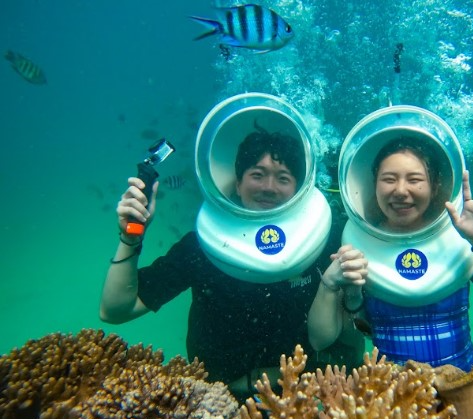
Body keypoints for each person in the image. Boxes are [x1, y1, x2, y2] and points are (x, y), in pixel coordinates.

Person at [100, 127, 363, 402]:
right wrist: (131, 237)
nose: (269, 187)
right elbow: (116, 309)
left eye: (283, 178)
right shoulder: (204, 246)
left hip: (305, 399)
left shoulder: (326, 239)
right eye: (257, 175)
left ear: (300, 189)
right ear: (237, 184)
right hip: (220, 401)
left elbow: (357, 326)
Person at [308, 137, 473, 371]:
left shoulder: (457, 239)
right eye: (389, 179)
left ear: (435, 186)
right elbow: (320, 340)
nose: (400, 191)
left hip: (464, 384)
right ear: (374, 184)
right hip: (390, 391)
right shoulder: (358, 243)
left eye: (415, 179)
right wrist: (330, 285)